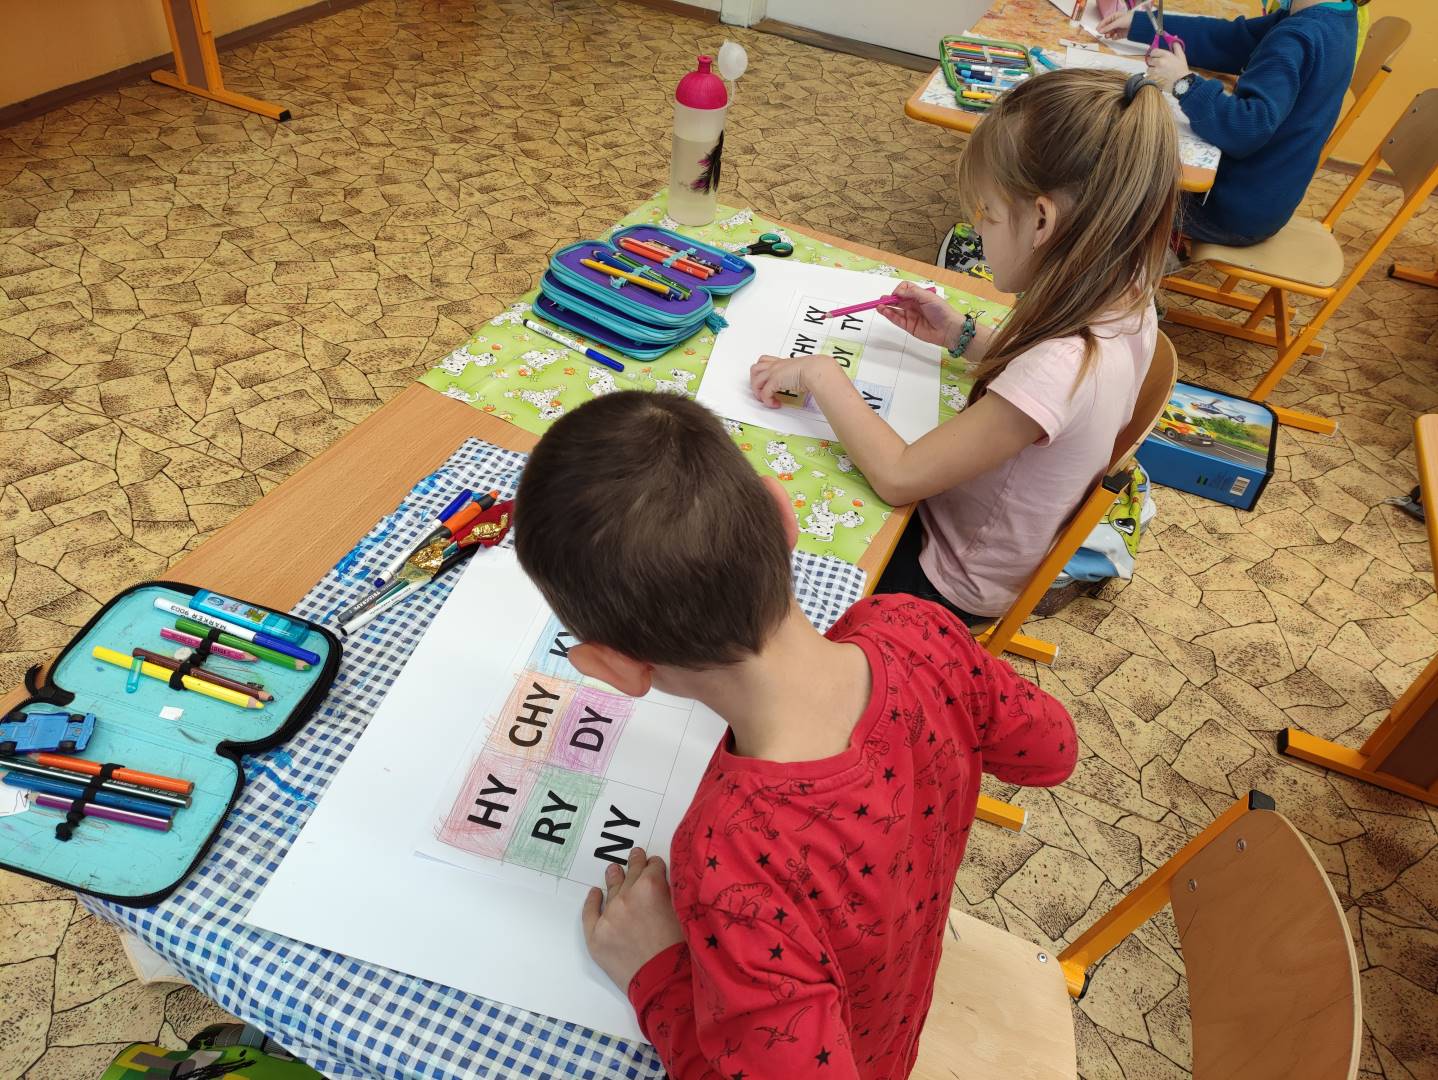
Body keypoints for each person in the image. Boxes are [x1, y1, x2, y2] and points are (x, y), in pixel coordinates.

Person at [513, 391, 1076, 1079]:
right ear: (784, 517)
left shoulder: (730, 859)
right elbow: (1051, 751)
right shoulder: (915, 628)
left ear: (614, 668)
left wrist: (655, 974)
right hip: (903, 993)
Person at [750, 69, 1178, 626]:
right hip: (973, 537)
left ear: (1042, 221)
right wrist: (964, 336)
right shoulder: (1127, 291)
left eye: (987, 215)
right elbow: (1050, 393)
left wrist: (820, 374)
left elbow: (898, 476)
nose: (976, 233)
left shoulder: (1062, 363)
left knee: (763, 528)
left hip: (943, 583)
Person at [1099, 0, 1363, 247]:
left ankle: (1143, 261)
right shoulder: (1334, 18)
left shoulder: (1297, 36)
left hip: (1225, 211)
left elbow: (1245, 128)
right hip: (1260, 204)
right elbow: (1231, 41)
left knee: (1102, 175)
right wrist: (1142, 24)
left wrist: (1184, 83)